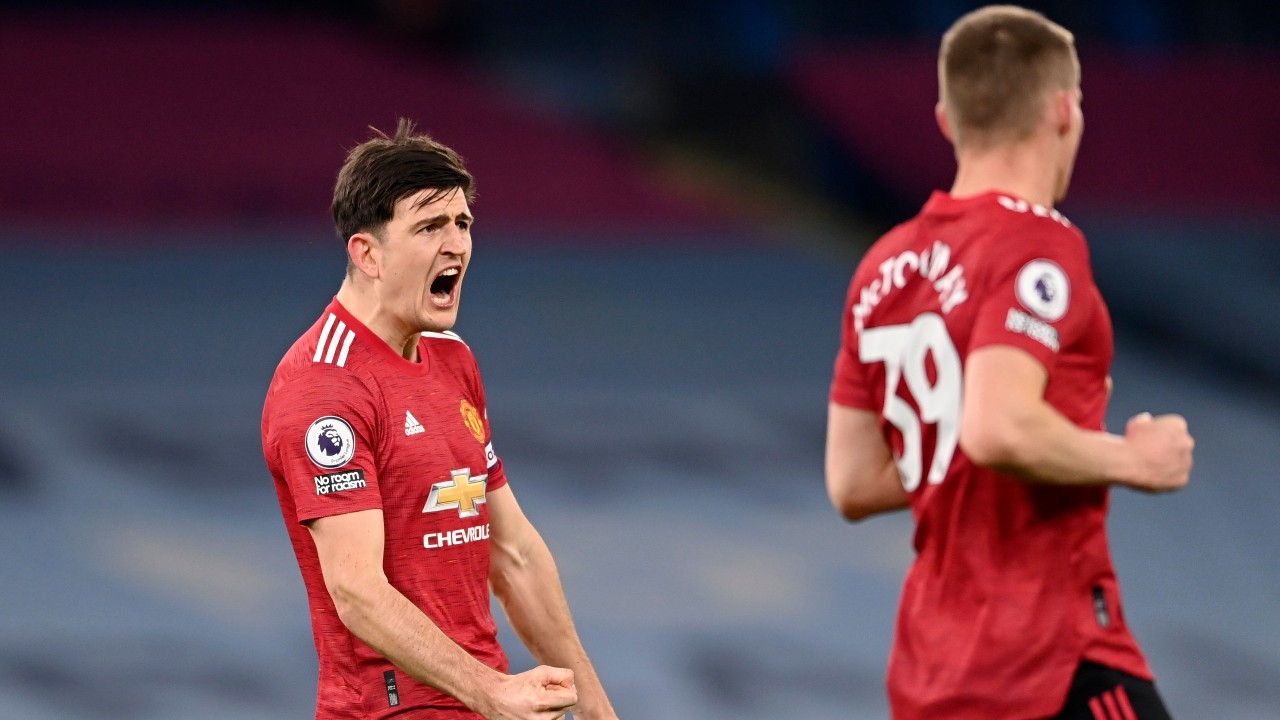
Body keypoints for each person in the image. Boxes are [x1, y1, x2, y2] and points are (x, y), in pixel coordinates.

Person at [824, 6, 1194, 720]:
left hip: (935, 674)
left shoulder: (882, 266)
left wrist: (1019, 434)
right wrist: (1133, 458)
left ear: (946, 120)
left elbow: (854, 480)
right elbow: (996, 429)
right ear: (1064, 109)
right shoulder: (1038, 245)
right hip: (1050, 657)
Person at [262, 119, 618, 720]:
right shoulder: (324, 386)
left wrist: (597, 709)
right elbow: (356, 591)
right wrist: (491, 691)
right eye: (430, 227)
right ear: (367, 253)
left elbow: (513, 554)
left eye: (463, 224)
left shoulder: (452, 358)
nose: (456, 244)